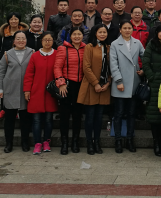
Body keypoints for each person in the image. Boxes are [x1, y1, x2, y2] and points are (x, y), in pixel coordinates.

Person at [110, 21, 145, 154]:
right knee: (118, 113)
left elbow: (145, 57)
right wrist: (118, 80)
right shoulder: (115, 44)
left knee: (131, 113)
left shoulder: (137, 43)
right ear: (120, 30)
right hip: (120, 83)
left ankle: (130, 139)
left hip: (133, 83)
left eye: (129, 28)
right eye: (124, 28)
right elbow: (113, 64)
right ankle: (118, 140)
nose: (127, 30)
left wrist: (143, 70)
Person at [77, 24, 111, 155]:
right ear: (95, 33)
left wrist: (108, 82)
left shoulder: (108, 47)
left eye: (104, 32)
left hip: (104, 87)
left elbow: (112, 67)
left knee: (99, 118)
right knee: (90, 117)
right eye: (100, 32)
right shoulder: (89, 47)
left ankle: (97, 141)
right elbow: (86, 67)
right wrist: (96, 83)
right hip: (91, 86)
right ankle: (89, 142)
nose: (102, 34)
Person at [0, 31, 35, 153]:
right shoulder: (7, 54)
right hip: (10, 90)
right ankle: (9, 143)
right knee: (9, 119)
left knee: (25, 119)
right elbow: (1, 72)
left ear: (26, 40)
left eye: (23, 38)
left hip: (26, 91)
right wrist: (0, 88)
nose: (21, 41)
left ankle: (25, 142)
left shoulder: (32, 53)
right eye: (18, 38)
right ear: (14, 41)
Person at [23, 31, 58, 155]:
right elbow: (29, 74)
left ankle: (46, 141)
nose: (47, 42)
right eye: (45, 40)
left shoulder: (57, 55)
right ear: (41, 41)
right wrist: (27, 90)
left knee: (48, 119)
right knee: (36, 120)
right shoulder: (35, 56)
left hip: (50, 93)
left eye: (50, 40)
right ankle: (37, 143)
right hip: (36, 92)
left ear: (53, 41)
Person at [54, 27, 87, 155]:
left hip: (81, 85)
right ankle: (64, 143)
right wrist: (61, 83)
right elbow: (57, 67)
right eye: (74, 34)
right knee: (64, 115)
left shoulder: (86, 49)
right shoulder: (63, 48)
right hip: (67, 85)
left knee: (78, 115)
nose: (77, 36)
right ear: (70, 36)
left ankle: (75, 142)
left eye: (79, 34)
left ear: (83, 36)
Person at [142, 24, 161, 157]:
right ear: (156, 33)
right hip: (155, 83)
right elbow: (145, 62)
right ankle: (157, 143)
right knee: (155, 114)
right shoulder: (151, 45)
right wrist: (151, 77)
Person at [0, 12, 29, 121]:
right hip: (7, 61)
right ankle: (4, 109)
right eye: (11, 19)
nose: (13, 21)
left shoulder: (25, 33)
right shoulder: (3, 33)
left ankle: (18, 110)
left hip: (21, 61)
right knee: (7, 85)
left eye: (16, 19)